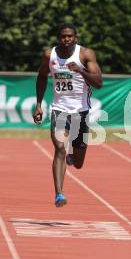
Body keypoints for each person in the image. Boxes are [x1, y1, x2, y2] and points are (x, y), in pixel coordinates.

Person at [33, 23, 103, 207]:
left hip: (80, 111)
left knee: (78, 163)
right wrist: (39, 104)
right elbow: (41, 76)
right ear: (59, 38)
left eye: (70, 36)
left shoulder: (85, 54)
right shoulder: (50, 55)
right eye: (63, 37)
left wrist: (80, 70)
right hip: (59, 109)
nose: (66, 40)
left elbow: (99, 83)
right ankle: (59, 194)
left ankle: (74, 154)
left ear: (75, 38)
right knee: (59, 149)